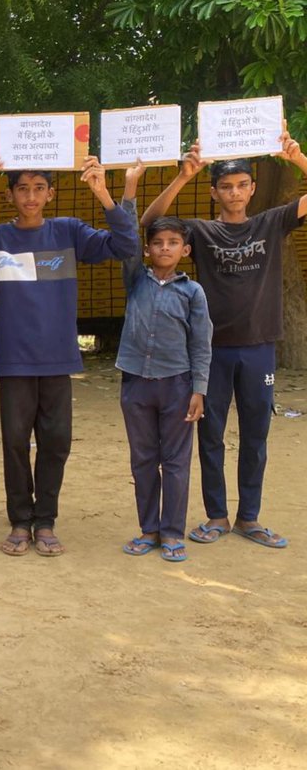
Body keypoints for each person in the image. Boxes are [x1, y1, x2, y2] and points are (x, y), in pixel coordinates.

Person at [0, 153, 139, 557]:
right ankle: (21, 520)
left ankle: (46, 520)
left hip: (58, 359)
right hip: (15, 361)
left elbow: (125, 244)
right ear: (10, 195)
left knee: (56, 443)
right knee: (16, 442)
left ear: (51, 194)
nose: (31, 196)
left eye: (39, 188)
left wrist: (103, 192)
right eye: (23, 188)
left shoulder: (69, 232)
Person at [140, 127, 307, 548]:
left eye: (241, 185)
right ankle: (216, 515)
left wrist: (297, 158)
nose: (234, 193)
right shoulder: (199, 232)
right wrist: (183, 176)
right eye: (226, 186)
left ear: (251, 189)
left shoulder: (272, 223)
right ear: (214, 192)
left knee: (255, 434)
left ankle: (249, 517)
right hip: (209, 352)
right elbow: (147, 225)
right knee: (209, 434)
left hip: (259, 349)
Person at [117, 161, 212, 563]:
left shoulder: (193, 292)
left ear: (184, 250)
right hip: (137, 382)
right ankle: (148, 529)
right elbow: (125, 231)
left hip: (177, 384)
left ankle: (172, 531)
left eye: (174, 243)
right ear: (147, 250)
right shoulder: (135, 277)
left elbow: (202, 344)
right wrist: (129, 187)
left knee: (175, 461)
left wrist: (199, 390)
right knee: (143, 460)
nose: (165, 249)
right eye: (158, 243)